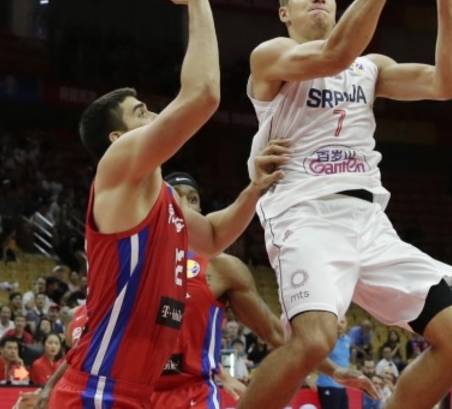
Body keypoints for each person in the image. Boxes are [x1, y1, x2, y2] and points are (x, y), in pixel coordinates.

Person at [238, 0, 452, 409]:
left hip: (369, 221)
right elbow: (334, 55)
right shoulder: (271, 56)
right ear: (284, 14)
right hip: (305, 212)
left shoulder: (370, 68)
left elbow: (446, 83)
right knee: (314, 340)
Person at [50, 0, 288, 409]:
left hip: (134, 393)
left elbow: (213, 237)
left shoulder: (162, 202)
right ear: (118, 138)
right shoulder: (117, 165)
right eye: (141, 112)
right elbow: (202, 96)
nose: (156, 114)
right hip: (98, 389)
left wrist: (256, 189)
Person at [151, 172, 376, 408]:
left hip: (191, 396)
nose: (184, 205)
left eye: (192, 199)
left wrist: (332, 370)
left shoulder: (223, 268)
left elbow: (273, 332)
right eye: (175, 196)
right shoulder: (134, 256)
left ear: (200, 210)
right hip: (134, 391)